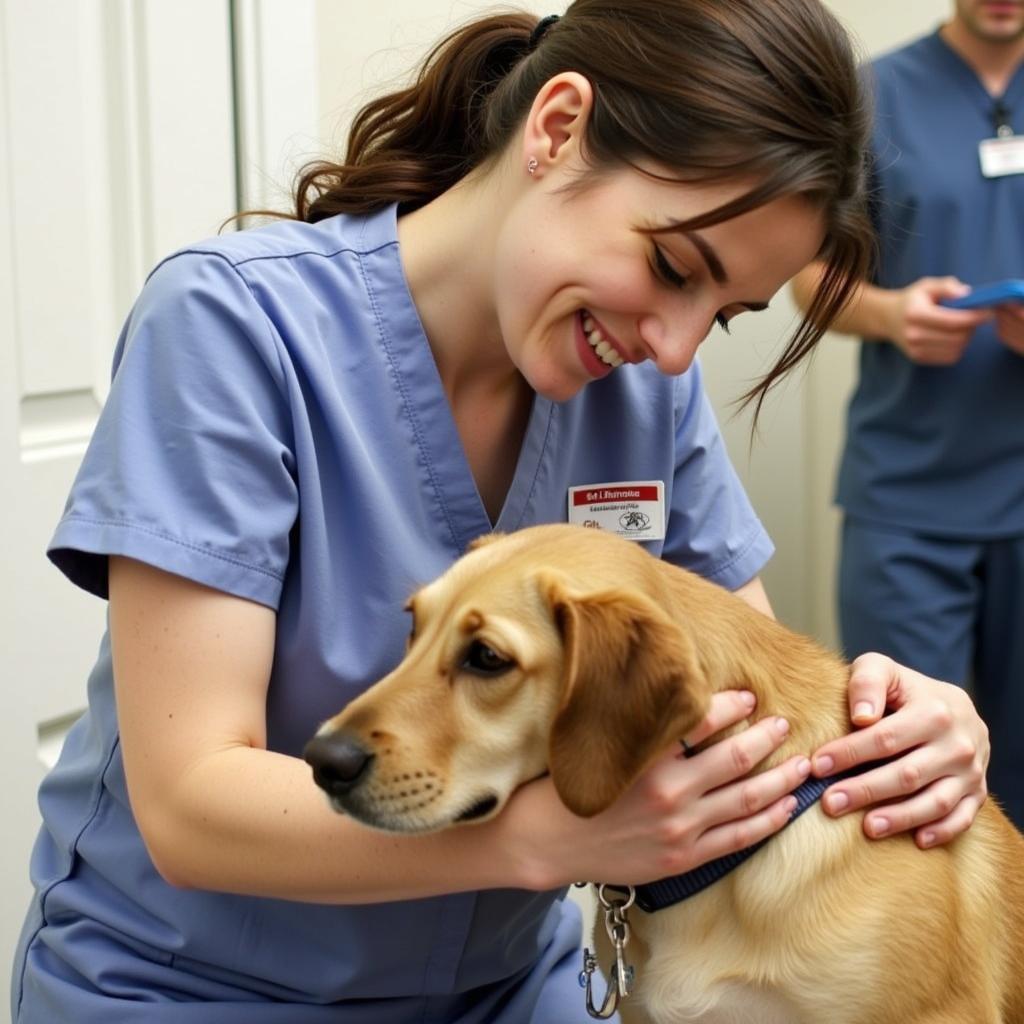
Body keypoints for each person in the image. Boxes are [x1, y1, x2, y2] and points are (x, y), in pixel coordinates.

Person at [12, 2, 991, 1021]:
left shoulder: (642, 386)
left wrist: (905, 730)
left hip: (509, 989)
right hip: (192, 989)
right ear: (557, 127)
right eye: (671, 268)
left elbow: (739, 710)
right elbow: (188, 807)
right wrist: (546, 843)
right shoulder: (232, 327)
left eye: (725, 313)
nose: (674, 348)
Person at [792, 0, 1024, 831]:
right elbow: (804, 270)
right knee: (906, 781)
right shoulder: (874, 96)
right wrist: (892, 314)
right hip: (910, 504)